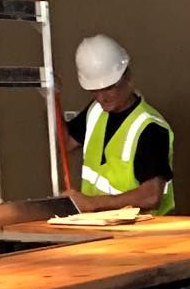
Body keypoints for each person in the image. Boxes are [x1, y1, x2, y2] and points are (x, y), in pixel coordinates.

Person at [65, 35, 176, 214]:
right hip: (98, 229)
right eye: (95, 91)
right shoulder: (96, 111)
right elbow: (65, 143)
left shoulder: (150, 128)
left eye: (109, 88)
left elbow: (151, 196)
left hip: (141, 234)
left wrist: (93, 203)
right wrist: (49, 98)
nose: (101, 98)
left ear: (129, 79)